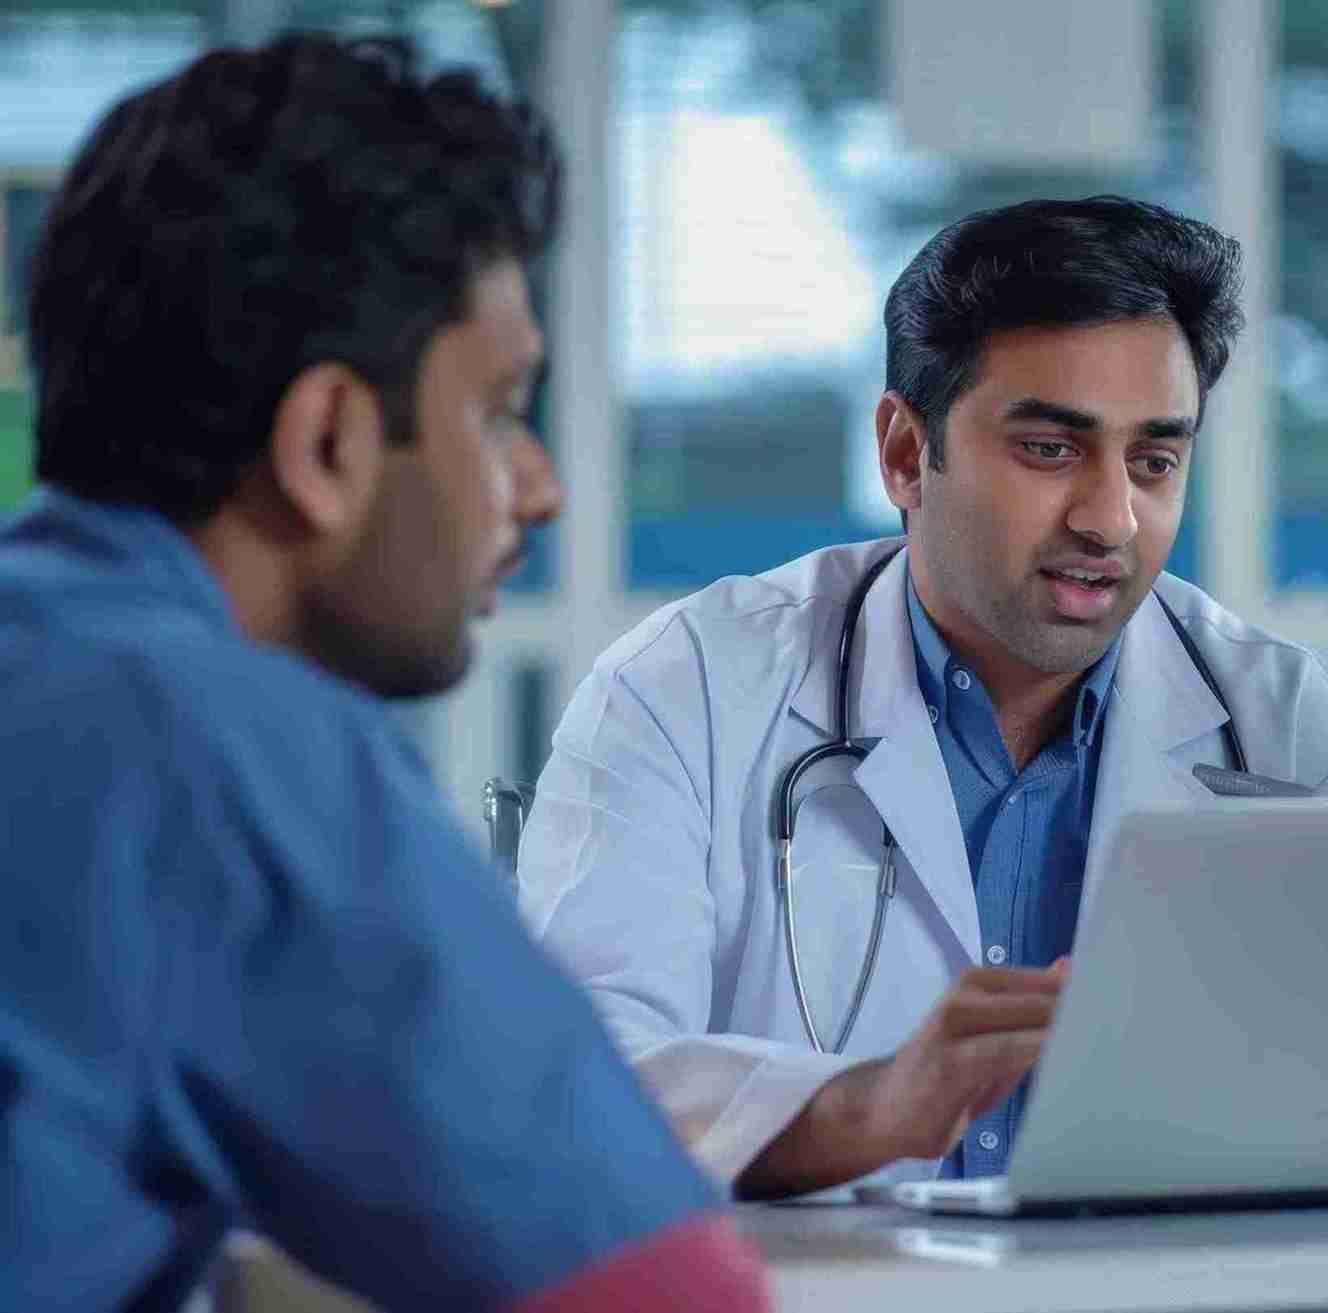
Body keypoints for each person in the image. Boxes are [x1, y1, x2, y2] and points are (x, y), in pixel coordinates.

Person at [0, 36, 766, 1311]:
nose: (539, 487)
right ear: (328, 442)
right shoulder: (224, 749)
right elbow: (670, 1294)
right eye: (498, 410)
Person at [519, 195, 1328, 1199]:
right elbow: (575, 1083)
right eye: (1050, 449)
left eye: (1154, 461)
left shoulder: (1297, 731)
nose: (1111, 519)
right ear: (906, 453)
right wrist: (867, 1108)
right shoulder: (687, 688)